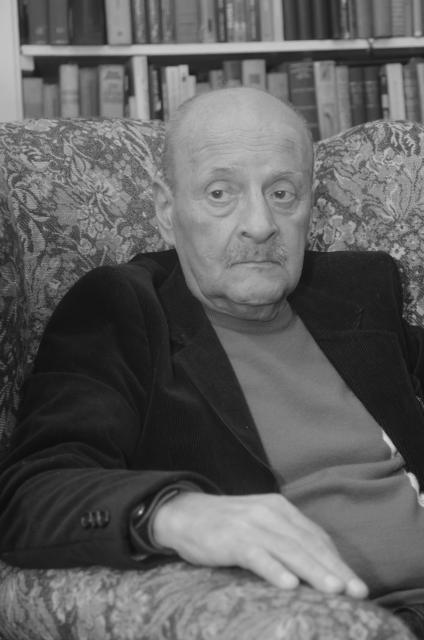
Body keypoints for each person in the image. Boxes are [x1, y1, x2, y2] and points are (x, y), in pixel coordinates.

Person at [1, 86, 424, 635]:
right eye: (221, 192)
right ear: (166, 209)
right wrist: (172, 512)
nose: (260, 224)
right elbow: (30, 492)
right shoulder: (125, 311)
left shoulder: (357, 288)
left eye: (282, 192)